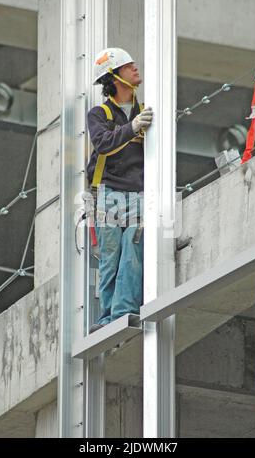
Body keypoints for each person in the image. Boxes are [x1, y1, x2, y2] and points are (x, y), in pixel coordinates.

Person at [87, 48, 153, 334]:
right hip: (109, 193)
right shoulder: (100, 114)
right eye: (128, 66)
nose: (135, 68)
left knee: (133, 245)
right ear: (114, 77)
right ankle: (107, 316)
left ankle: (124, 309)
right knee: (111, 253)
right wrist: (133, 128)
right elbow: (103, 144)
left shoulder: (145, 110)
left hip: (138, 194)